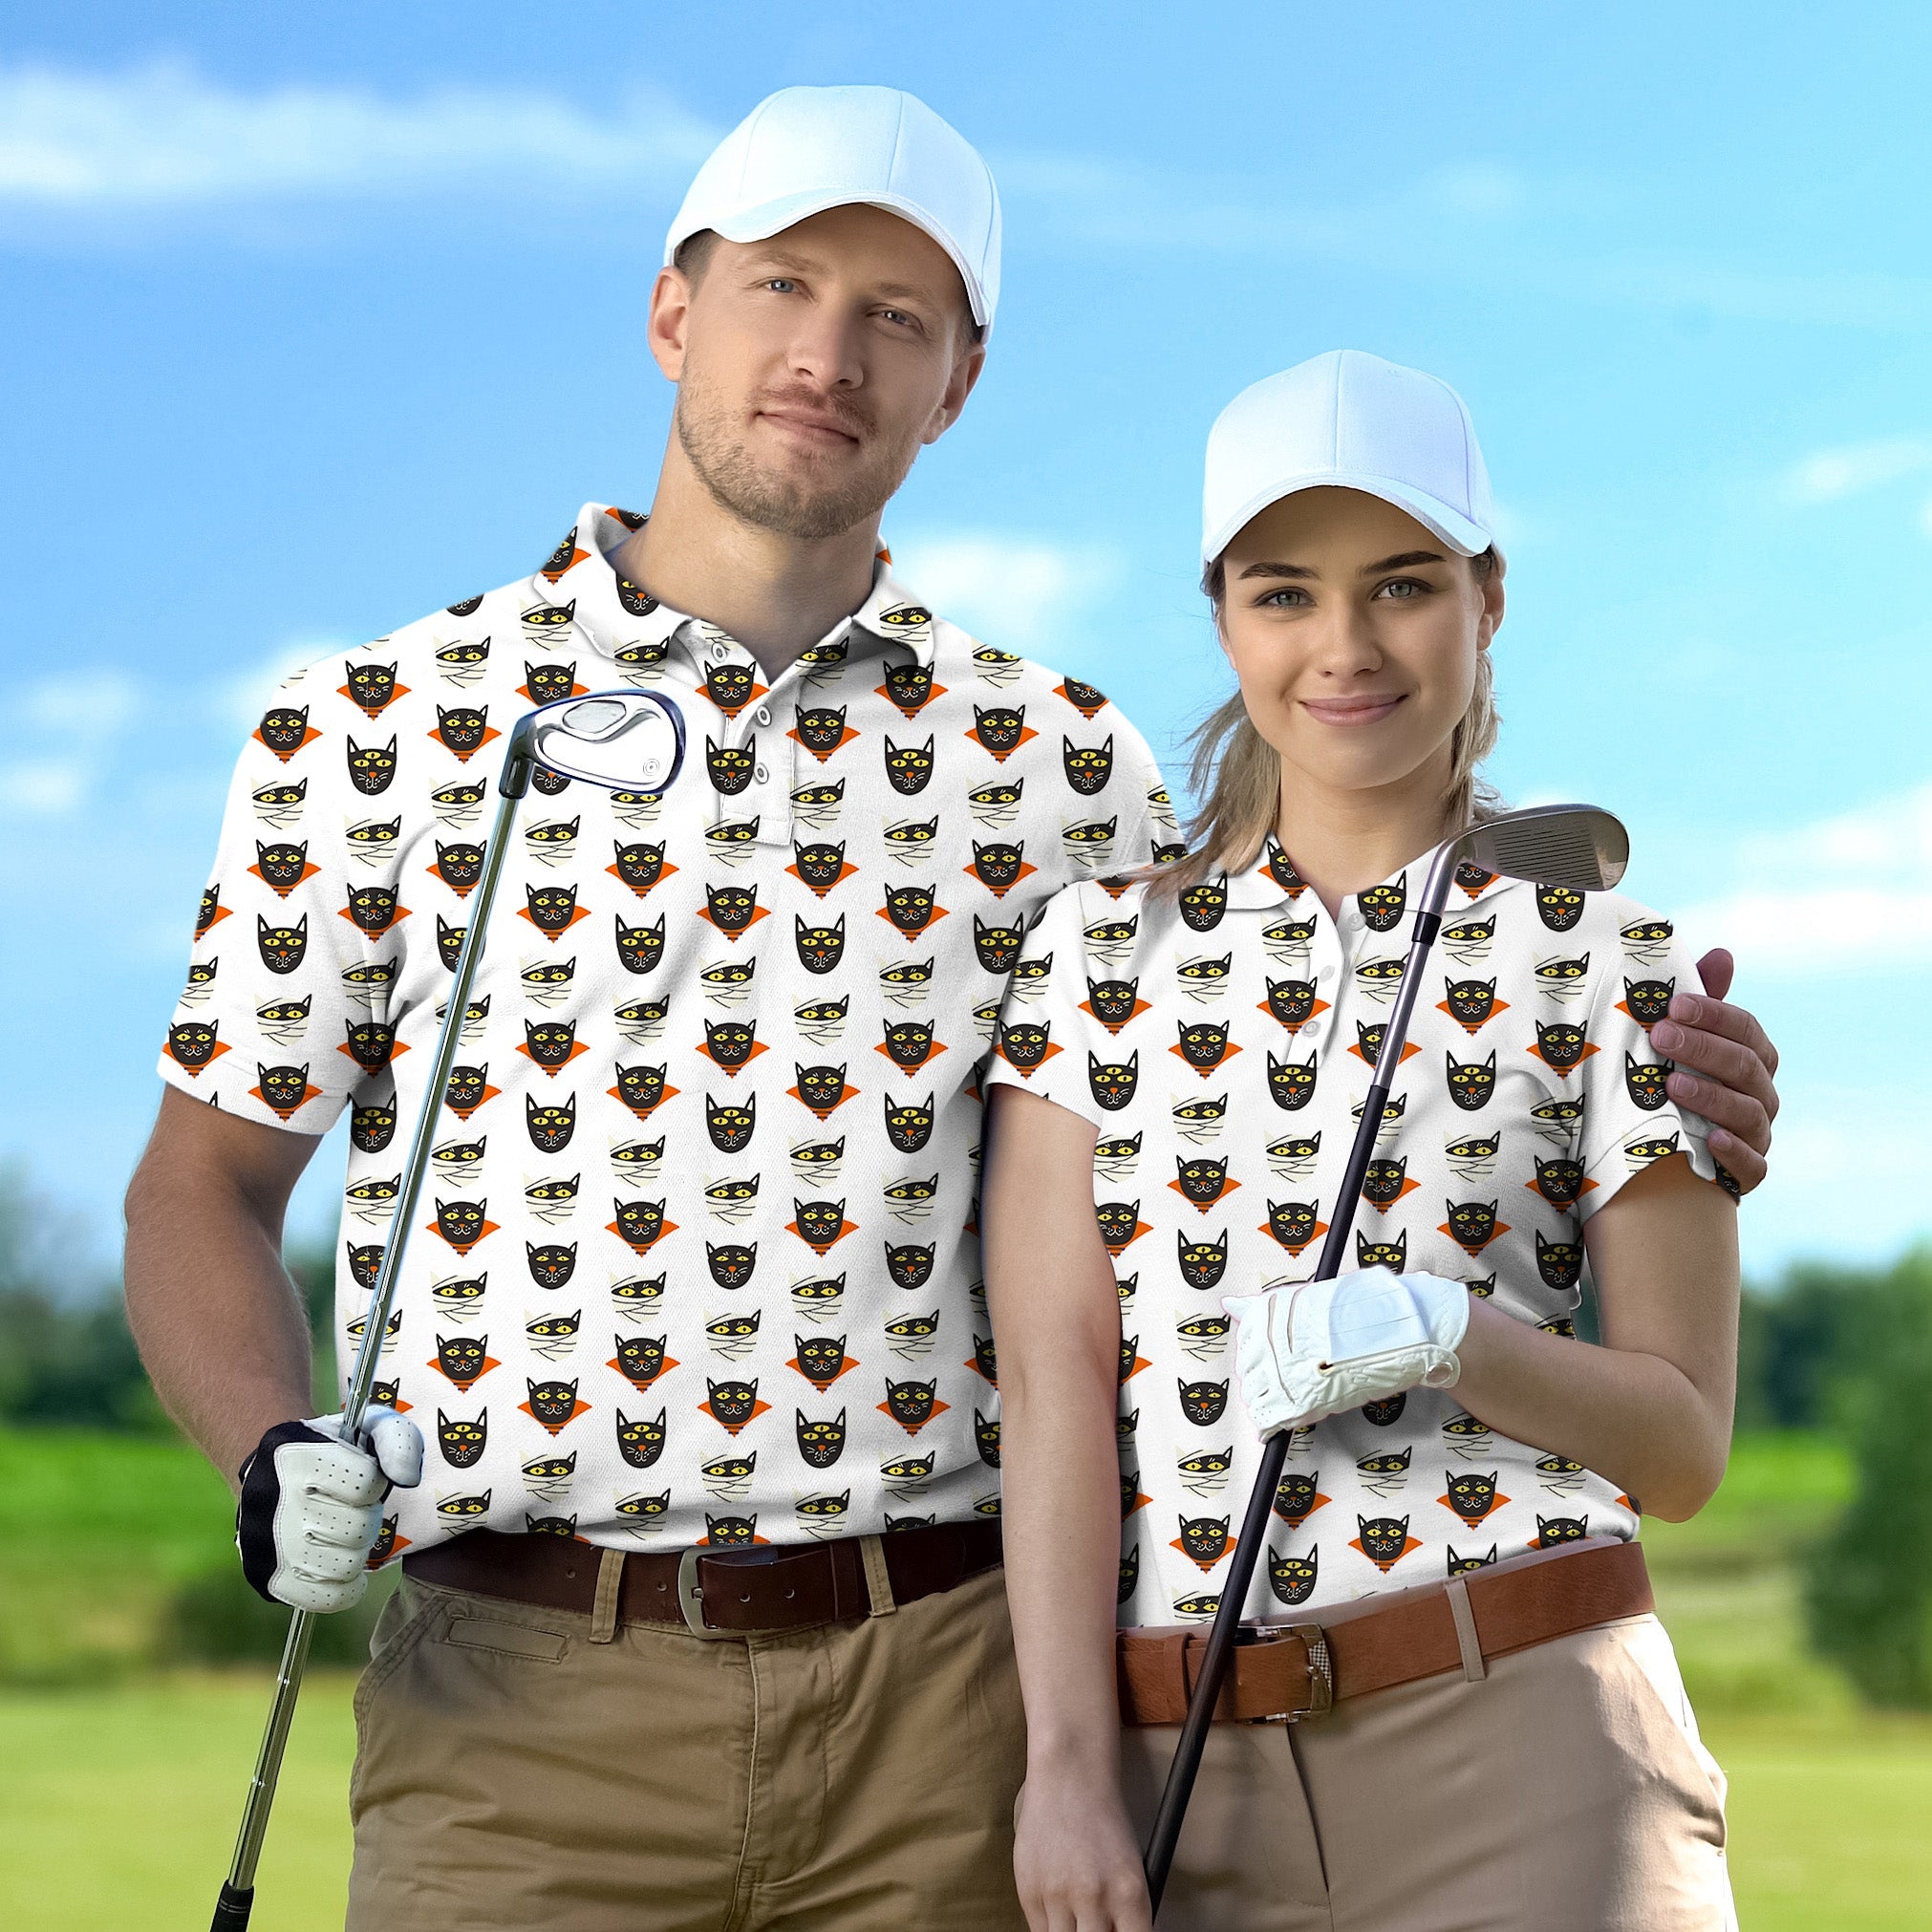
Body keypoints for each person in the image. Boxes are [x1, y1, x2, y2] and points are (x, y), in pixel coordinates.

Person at [119, 81, 1779, 1927]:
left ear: (959, 379)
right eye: (781, 286)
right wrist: (270, 1453)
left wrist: (1658, 1073)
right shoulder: (373, 727)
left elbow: (1286, 1031)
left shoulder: (1064, 767)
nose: (827, 354)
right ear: (674, 310)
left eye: (893, 316)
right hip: (513, 1702)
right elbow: (199, 1187)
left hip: (943, 1698)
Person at [983, 350, 1749, 1930]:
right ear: (1221, 617)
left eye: (1400, 584)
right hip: (1185, 1769)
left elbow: (1678, 1449)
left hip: (1529, 1726)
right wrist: (1062, 1764)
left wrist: (1446, 1333)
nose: (1342, 647)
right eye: (1283, 594)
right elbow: (1055, 1388)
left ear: (1485, 600)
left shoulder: (1607, 951)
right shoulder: (1090, 960)